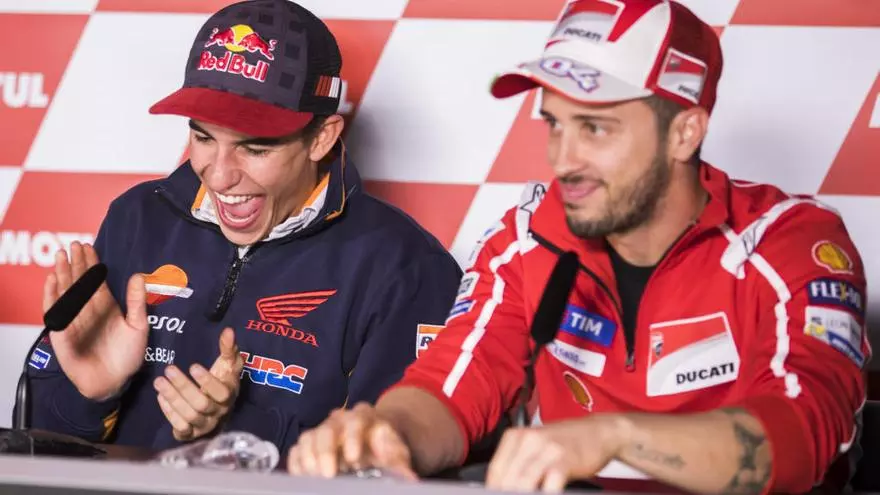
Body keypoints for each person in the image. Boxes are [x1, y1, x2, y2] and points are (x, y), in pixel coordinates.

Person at [286, 0, 871, 492]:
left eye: (595, 127)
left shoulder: (788, 241)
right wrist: (385, 432)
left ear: (684, 131)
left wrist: (616, 437)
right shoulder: (527, 240)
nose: (563, 160)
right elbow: (451, 386)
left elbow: (804, 434)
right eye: (555, 124)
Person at [21, 0, 462, 455]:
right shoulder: (137, 218)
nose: (219, 176)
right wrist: (91, 395)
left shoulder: (407, 269)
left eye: (255, 149)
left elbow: (384, 462)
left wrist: (233, 430)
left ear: (322, 138)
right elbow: (34, 448)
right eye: (203, 137)